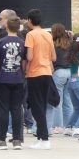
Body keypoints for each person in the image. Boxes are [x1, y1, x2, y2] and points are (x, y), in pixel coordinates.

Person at [0, 15, 26, 150]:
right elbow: (24, 63)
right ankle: (17, 140)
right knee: (17, 109)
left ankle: (2, 140)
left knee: (4, 109)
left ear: (7, 26)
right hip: (18, 79)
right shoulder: (23, 43)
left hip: (3, 78)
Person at [24, 9, 55, 149]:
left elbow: (29, 57)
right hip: (47, 72)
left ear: (30, 21)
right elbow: (53, 57)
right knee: (42, 105)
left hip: (34, 73)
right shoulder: (48, 34)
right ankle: (43, 138)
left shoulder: (30, 35)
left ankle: (44, 138)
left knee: (36, 107)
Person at [48, 23, 73, 135]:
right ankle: (69, 125)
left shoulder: (53, 44)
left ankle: (58, 125)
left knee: (58, 100)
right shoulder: (69, 43)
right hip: (69, 72)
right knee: (68, 101)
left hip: (58, 72)